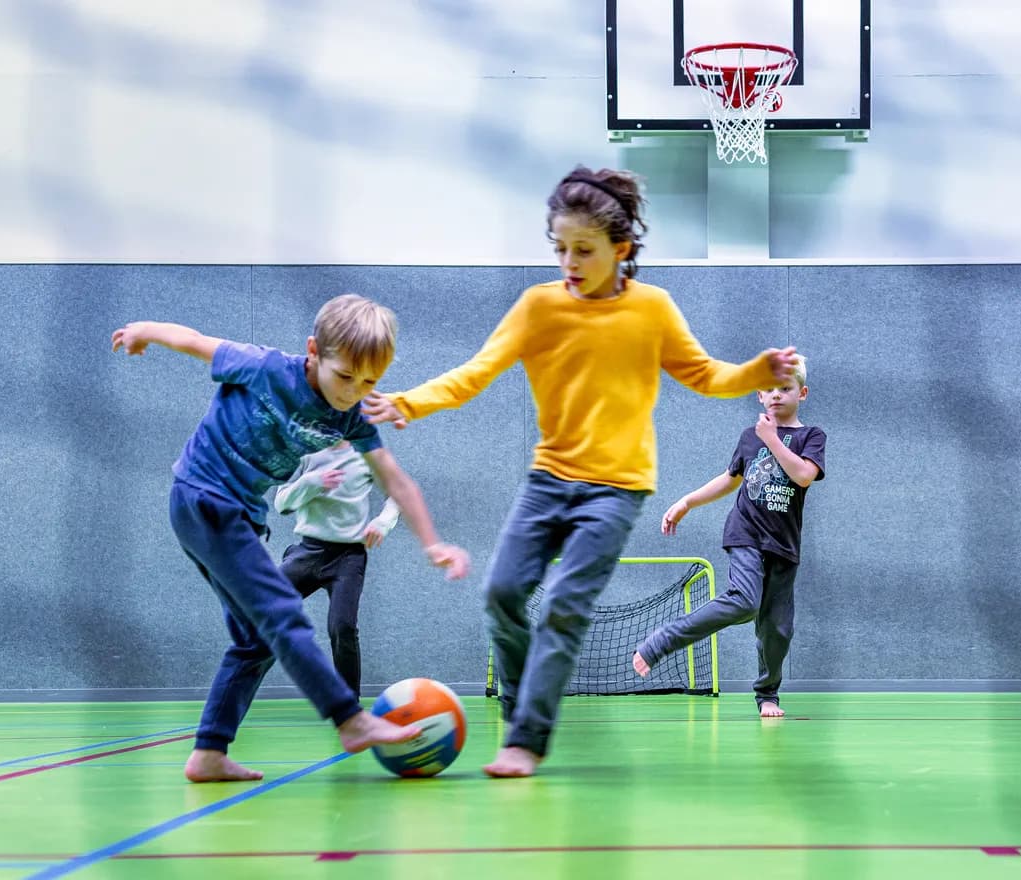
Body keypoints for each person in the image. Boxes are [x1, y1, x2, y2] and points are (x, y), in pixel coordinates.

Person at [363, 166, 799, 777]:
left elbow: (705, 375)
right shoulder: (538, 307)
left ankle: (527, 739)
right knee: (502, 594)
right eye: (560, 247)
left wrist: (757, 370)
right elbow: (476, 371)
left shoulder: (653, 310)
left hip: (617, 489)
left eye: (584, 249)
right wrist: (406, 402)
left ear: (621, 250)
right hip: (549, 480)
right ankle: (520, 707)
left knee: (567, 605)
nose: (569, 261)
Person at [111, 294, 470, 782]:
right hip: (204, 498)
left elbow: (394, 479)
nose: (353, 392)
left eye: (369, 382)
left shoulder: (351, 415)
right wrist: (143, 330)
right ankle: (350, 718)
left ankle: (209, 753)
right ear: (314, 352)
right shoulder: (263, 368)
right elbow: (194, 341)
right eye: (345, 377)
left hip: (234, 515)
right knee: (283, 612)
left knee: (254, 640)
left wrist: (432, 543)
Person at [633, 359, 825, 718]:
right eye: (769, 389)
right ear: (759, 395)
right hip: (746, 533)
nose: (776, 395)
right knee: (744, 601)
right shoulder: (749, 437)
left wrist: (773, 440)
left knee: (777, 630)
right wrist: (688, 501)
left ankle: (768, 693)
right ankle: (664, 640)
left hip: (784, 544)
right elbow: (730, 477)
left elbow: (802, 476)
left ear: (801, 393)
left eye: (785, 389)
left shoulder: (810, 436)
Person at [275, 439, 403, 696]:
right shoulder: (301, 450)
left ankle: (349, 707)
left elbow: (397, 496)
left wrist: (383, 522)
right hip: (308, 552)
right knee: (260, 612)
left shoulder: (366, 452)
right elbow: (281, 503)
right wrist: (312, 482)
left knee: (342, 627)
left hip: (347, 557)